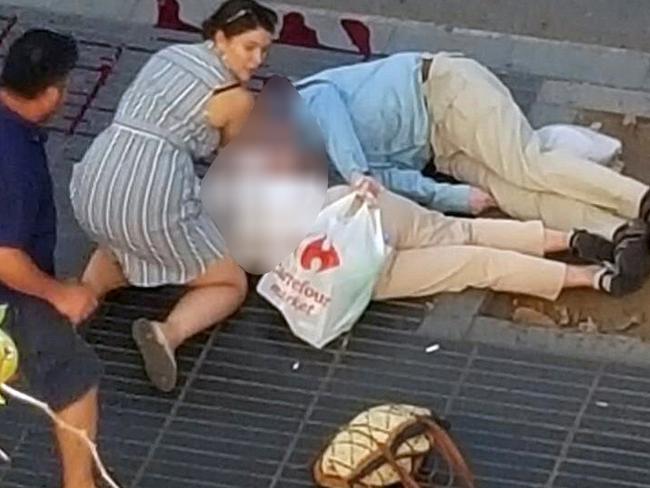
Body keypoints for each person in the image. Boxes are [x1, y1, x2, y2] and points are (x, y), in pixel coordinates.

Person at [69, 0, 277, 393]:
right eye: (249, 47)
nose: (257, 59)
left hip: (94, 178)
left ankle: (79, 301)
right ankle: (168, 332)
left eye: (265, 50)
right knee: (229, 282)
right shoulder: (235, 98)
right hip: (150, 194)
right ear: (220, 38)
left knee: (116, 243)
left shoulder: (171, 54)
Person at [295, 52, 650, 244]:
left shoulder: (290, 106)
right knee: (512, 196)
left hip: (442, 90)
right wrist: (455, 198)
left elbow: (326, 103)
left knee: (526, 165)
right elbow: (385, 178)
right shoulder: (320, 171)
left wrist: (356, 172)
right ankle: (618, 232)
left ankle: (642, 201)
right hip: (441, 151)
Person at [0, 30, 102, 488]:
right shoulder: (16, 161)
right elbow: (5, 257)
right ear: (52, 93)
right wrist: (59, 293)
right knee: (72, 376)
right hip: (13, 295)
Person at [324, 186, 650, 300]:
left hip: (346, 265)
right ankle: (572, 239)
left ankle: (595, 278)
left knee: (477, 265)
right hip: (350, 205)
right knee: (461, 230)